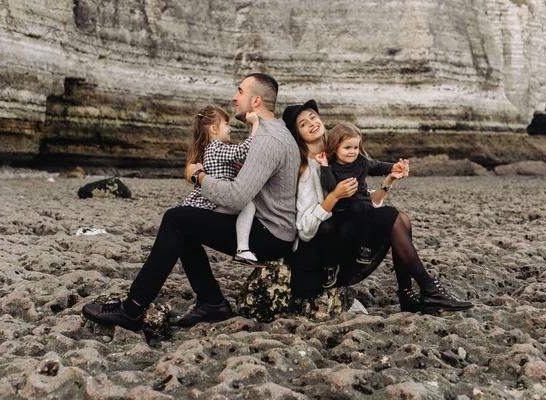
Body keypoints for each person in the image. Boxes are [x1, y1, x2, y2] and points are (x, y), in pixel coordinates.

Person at [82, 73, 301, 331]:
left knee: (176, 220)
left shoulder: (267, 141)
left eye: (239, 91)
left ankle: (132, 310)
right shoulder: (274, 132)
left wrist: (199, 177)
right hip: (271, 225)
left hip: (270, 234)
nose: (234, 97)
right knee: (185, 218)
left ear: (255, 100)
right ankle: (212, 303)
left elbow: (237, 196)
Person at [283, 100, 473, 314]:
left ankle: (409, 294)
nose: (311, 122)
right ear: (297, 135)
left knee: (400, 219)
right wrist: (333, 197)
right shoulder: (307, 170)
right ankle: (428, 289)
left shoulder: (340, 157)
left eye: (313, 116)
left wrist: (388, 181)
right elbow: (306, 230)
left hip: (349, 232)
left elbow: (364, 206)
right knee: (392, 216)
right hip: (325, 257)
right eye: (302, 123)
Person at [314, 122, 407, 288]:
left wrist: (394, 167)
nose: (352, 152)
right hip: (339, 210)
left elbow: (378, 166)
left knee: (360, 207)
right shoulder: (331, 166)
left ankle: (364, 249)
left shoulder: (362, 162)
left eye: (356, 148)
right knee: (325, 228)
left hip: (361, 208)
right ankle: (329, 267)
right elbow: (329, 186)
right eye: (347, 148)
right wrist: (324, 166)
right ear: (335, 147)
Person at [178, 105, 263, 267]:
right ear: (214, 129)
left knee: (247, 207)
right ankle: (243, 250)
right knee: (248, 205)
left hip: (216, 198)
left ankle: (243, 248)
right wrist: (255, 125)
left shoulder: (211, 149)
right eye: (227, 124)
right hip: (216, 199)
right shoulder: (216, 148)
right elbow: (244, 151)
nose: (230, 128)